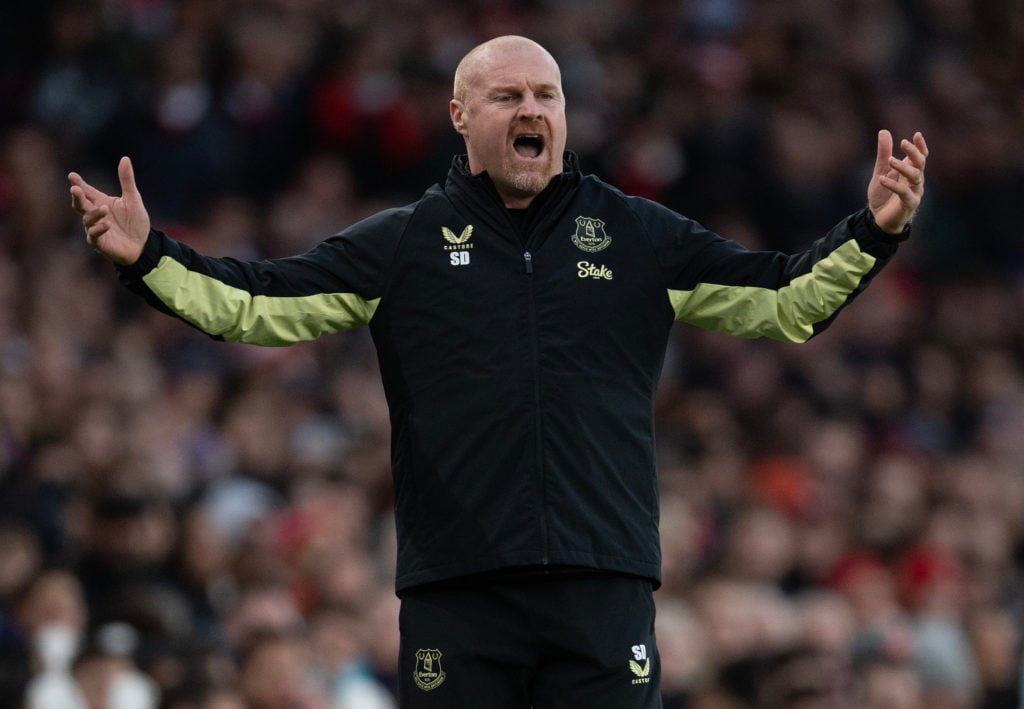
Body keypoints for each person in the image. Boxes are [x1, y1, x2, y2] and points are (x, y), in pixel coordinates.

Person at [69, 34, 928, 709]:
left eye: (546, 95)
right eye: (508, 94)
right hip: (459, 591)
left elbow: (785, 299)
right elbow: (256, 304)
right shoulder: (401, 242)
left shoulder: (639, 236)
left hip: (602, 587)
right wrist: (148, 256)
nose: (532, 109)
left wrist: (875, 227)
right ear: (459, 114)